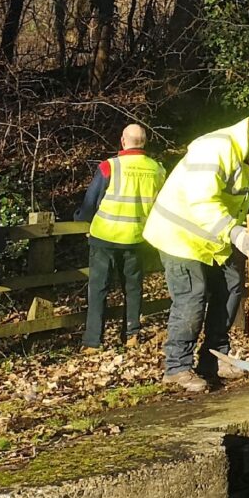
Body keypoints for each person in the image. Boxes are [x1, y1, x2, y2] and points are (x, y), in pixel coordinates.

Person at [145, 105, 249, 392]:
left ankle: (215, 358)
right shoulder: (215, 148)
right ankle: (176, 367)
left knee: (231, 287)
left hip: (213, 236)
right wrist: (234, 233)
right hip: (179, 232)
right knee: (192, 296)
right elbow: (201, 200)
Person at [74, 123, 165, 349]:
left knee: (98, 289)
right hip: (136, 238)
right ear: (144, 142)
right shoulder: (157, 169)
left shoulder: (109, 166)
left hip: (104, 237)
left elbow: (90, 202)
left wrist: (81, 219)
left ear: (123, 141)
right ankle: (131, 335)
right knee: (133, 289)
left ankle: (93, 341)